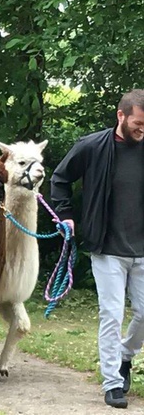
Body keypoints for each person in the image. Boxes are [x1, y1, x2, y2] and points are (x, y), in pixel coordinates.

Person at [51, 89, 144, 409]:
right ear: (121, 116)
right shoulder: (91, 147)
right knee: (111, 313)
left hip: (143, 252)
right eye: (138, 123)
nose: (141, 129)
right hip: (107, 248)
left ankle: (125, 357)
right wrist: (66, 215)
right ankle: (113, 383)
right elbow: (60, 178)